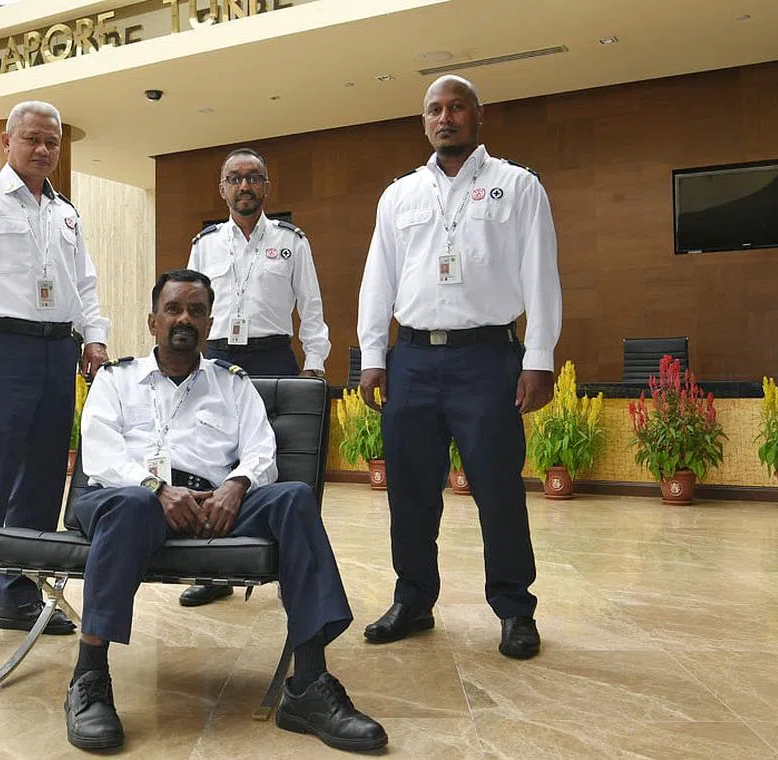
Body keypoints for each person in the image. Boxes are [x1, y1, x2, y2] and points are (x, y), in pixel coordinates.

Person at [62, 269, 386, 753]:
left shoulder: (232, 384)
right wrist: (157, 489)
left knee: (293, 497)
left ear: (209, 324)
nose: (184, 319)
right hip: (127, 500)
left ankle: (309, 686)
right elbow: (102, 454)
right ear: (153, 321)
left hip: (212, 506)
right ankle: (88, 680)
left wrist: (236, 485)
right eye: (173, 309)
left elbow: (262, 449)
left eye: (196, 311)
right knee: (133, 503)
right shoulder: (116, 379)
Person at [356, 75, 562, 660]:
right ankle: (413, 600)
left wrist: (539, 357)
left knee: (498, 489)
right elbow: (378, 279)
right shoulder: (399, 195)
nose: (445, 118)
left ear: (478, 115)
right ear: (424, 122)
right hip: (413, 359)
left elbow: (541, 274)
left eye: (456, 108)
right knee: (410, 492)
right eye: (434, 110)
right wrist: (373, 355)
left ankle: (515, 608)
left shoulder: (517, 186)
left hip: (488, 359)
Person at [0, 100, 111, 664]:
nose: (43, 150)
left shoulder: (65, 212)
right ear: (7, 142)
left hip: (58, 353)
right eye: (32, 139)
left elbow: (83, 283)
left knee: (41, 481)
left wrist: (94, 337)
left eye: (52, 142)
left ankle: (19, 595)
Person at [181, 147, 332, 607]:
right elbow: (190, 307)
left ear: (267, 186)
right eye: (235, 178)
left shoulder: (291, 241)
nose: (244, 186)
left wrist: (314, 364)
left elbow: (311, 308)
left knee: (280, 465)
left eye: (253, 178)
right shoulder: (205, 244)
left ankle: (289, 569)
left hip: (274, 360)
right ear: (222, 188)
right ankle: (212, 570)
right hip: (217, 361)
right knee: (212, 461)